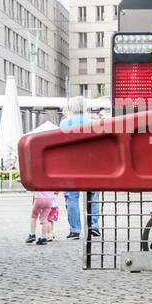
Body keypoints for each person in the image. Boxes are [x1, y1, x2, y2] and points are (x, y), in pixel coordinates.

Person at [59, 98, 89, 239]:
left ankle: (75, 229)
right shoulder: (93, 122)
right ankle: (93, 225)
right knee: (93, 194)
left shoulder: (65, 123)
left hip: (70, 164)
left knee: (71, 197)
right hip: (91, 163)